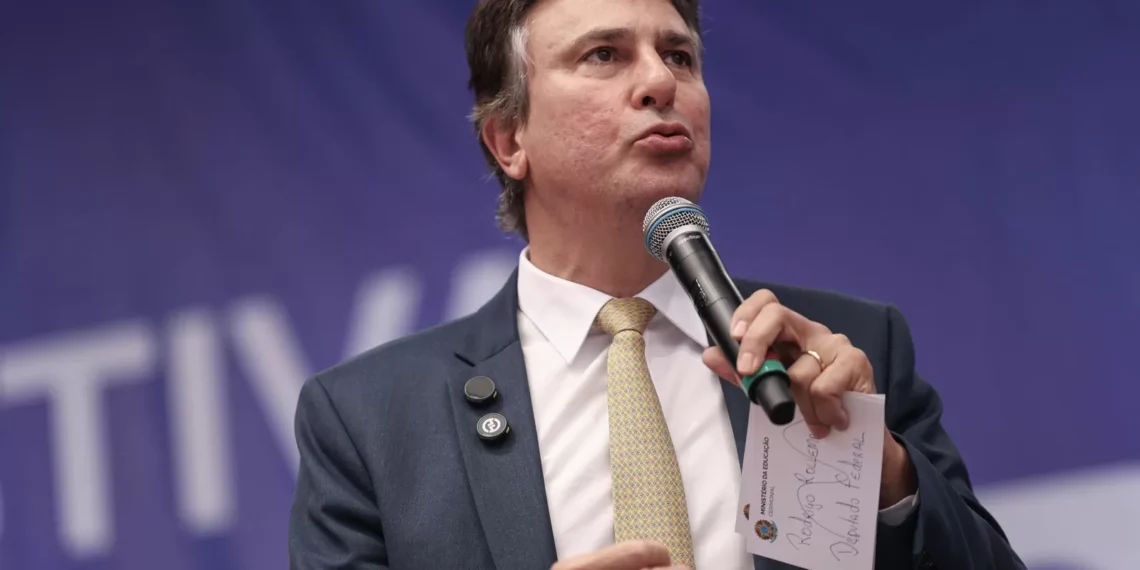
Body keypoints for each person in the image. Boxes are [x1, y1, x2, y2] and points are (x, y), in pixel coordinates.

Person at [288, 0, 1025, 568]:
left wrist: (878, 469)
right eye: (604, 55)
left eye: (679, 55)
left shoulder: (845, 352)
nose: (660, 82)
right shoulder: (370, 420)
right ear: (509, 139)